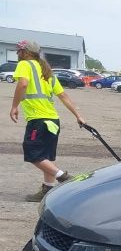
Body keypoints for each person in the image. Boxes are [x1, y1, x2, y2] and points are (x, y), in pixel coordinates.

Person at [9, 39, 86, 201]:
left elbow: (22, 84)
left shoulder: (25, 64)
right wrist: (78, 116)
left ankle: (64, 177)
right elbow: (63, 95)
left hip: (39, 120)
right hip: (53, 120)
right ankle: (48, 189)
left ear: (26, 52)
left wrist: (14, 106)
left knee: (33, 153)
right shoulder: (47, 71)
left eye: (19, 51)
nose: (17, 53)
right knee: (47, 157)